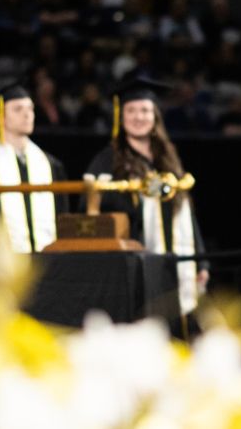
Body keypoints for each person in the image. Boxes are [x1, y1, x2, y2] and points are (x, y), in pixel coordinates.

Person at [86, 79, 208, 316]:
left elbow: (185, 210)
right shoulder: (108, 160)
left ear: (155, 116)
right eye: (131, 111)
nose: (138, 117)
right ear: (121, 118)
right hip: (135, 265)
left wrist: (200, 261)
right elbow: (95, 214)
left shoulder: (167, 157)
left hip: (176, 261)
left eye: (145, 110)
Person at [0, 82, 69, 255]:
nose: (27, 115)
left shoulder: (50, 165)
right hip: (3, 268)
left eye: (30, 109)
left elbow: (63, 218)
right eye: (18, 109)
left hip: (50, 265)